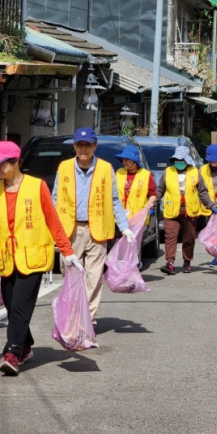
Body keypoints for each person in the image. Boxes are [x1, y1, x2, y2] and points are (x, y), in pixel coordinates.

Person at [0, 141, 82, 376]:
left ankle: (12, 354)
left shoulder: (37, 186)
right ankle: (25, 345)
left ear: (16, 163)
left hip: (32, 257)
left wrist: (68, 252)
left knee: (21, 308)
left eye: (0, 163)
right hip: (5, 260)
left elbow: (53, 221)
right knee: (13, 306)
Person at [52, 128, 134, 323]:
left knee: (94, 276)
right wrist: (51, 228)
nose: (83, 149)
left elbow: (114, 200)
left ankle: (86, 317)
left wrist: (124, 227)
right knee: (70, 273)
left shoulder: (106, 168)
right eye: (79, 145)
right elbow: (55, 198)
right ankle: (73, 311)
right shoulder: (63, 167)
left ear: (95, 146)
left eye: (87, 145)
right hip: (70, 230)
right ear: (74, 146)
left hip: (98, 229)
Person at [157, 145, 217, 274]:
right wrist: (153, 204)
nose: (179, 163)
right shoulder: (167, 172)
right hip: (171, 211)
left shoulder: (195, 172)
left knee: (189, 239)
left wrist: (212, 206)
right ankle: (170, 263)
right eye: (177, 161)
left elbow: (202, 192)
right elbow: (160, 190)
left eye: (181, 161)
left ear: (187, 161)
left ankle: (187, 261)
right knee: (170, 237)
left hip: (190, 211)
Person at [115, 144, 157, 224]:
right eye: (123, 159)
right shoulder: (118, 173)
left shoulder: (146, 175)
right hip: (119, 217)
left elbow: (153, 194)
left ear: (135, 161)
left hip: (138, 218)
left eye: (127, 159)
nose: (124, 161)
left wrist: (150, 202)